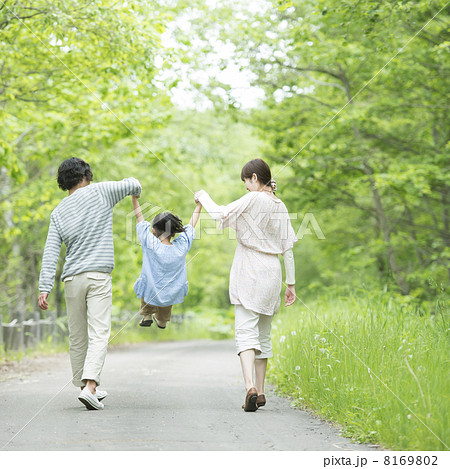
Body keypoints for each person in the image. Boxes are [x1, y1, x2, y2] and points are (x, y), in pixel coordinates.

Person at [38, 157, 141, 411]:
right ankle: (90, 386)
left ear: (64, 182)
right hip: (98, 276)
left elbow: (51, 251)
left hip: (72, 279)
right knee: (99, 333)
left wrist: (44, 286)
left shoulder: (58, 211)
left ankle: (83, 383)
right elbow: (133, 184)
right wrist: (135, 192)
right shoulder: (101, 191)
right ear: (87, 175)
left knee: (77, 335)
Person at [194, 158, 297, 412]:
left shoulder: (254, 199)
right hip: (273, 272)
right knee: (263, 334)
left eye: (246, 182)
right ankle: (261, 392)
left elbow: (220, 213)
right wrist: (291, 284)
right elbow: (288, 250)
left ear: (254, 177)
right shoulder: (280, 205)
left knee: (245, 332)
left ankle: (250, 386)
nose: (246, 188)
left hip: (250, 269)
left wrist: (202, 196)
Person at [132, 196, 202, 328]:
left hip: (151, 290)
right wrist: (199, 206)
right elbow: (192, 226)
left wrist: (134, 197)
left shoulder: (151, 244)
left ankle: (147, 314)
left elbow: (140, 219)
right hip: (171, 292)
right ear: (174, 233)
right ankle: (162, 321)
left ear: (154, 231)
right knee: (167, 296)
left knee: (147, 283)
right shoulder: (180, 247)